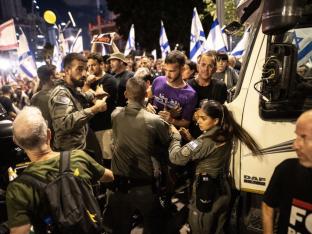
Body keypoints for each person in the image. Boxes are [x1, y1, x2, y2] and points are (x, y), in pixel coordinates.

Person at [6, 106, 114, 234]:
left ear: (16, 142)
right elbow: (109, 176)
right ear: (49, 134)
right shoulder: (79, 157)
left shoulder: (19, 188)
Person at [169, 100, 261, 234]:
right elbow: (206, 150)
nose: (198, 121)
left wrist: (176, 137)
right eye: (198, 117)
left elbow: (175, 157)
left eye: (203, 118)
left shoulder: (205, 140)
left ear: (216, 120)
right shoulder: (222, 132)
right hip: (221, 191)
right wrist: (191, 140)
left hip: (206, 194)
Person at [103, 77, 171, 234]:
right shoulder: (154, 120)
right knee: (154, 225)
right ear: (145, 95)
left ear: (126, 94)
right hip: (144, 186)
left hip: (119, 187)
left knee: (120, 227)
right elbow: (167, 139)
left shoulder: (115, 114)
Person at [262, 110, 312, 234]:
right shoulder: (286, 169)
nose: (294, 145)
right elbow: (268, 205)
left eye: (304, 138)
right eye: (297, 136)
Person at [49, 53, 108, 151]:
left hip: (76, 150)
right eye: (80, 69)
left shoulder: (71, 89)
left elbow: (80, 96)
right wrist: (95, 109)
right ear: (67, 71)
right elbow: (64, 123)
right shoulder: (61, 93)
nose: (85, 74)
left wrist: (95, 94)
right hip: (68, 153)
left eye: (86, 69)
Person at [83, 53, 117, 168]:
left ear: (102, 64)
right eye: (89, 66)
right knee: (95, 161)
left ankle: (112, 185)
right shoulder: (89, 81)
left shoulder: (109, 80)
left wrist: (86, 86)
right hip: (91, 127)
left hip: (106, 127)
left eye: (93, 65)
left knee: (108, 160)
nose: (91, 68)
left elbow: (99, 102)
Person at [188, 51, 227, 139]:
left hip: (212, 137)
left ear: (215, 69)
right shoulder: (187, 86)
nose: (206, 69)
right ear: (198, 67)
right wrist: (191, 116)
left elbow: (222, 114)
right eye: (203, 65)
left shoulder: (220, 86)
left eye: (210, 66)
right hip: (190, 135)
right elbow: (180, 113)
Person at [31, 64, 59, 129]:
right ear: (52, 78)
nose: (60, 77)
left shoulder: (35, 97)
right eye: (57, 74)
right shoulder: (58, 96)